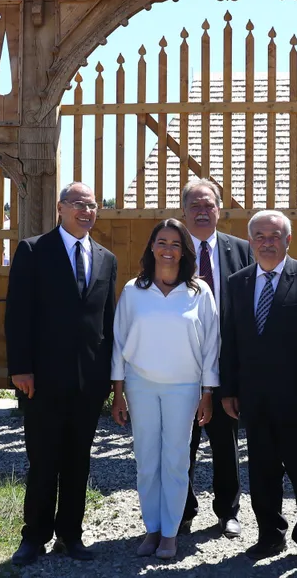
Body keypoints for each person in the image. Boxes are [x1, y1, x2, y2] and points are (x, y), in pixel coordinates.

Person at [6, 182, 119, 566]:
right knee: (43, 461)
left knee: (78, 460)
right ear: (60, 208)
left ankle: (71, 534)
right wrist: (20, 367)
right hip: (42, 380)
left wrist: (109, 379)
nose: (86, 211)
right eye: (78, 205)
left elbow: (108, 321)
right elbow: (18, 313)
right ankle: (34, 536)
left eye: (92, 206)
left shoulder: (106, 259)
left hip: (89, 383)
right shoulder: (34, 250)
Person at [220, 210, 297, 563]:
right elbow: (231, 339)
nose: (267, 243)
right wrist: (229, 390)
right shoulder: (237, 282)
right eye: (260, 237)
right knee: (262, 471)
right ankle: (270, 535)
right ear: (250, 241)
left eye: (274, 236)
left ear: (288, 240)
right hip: (254, 398)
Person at [110, 217, 219, 561]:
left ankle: (170, 533)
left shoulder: (200, 292)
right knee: (146, 461)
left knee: (175, 461)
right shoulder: (134, 290)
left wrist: (207, 392)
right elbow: (118, 342)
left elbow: (211, 347)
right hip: (141, 386)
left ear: (184, 250)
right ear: (151, 247)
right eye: (162, 242)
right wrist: (118, 391)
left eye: (175, 243)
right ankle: (152, 527)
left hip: (184, 388)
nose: (168, 250)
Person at [179, 178, 252, 538]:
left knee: (226, 442)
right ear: (183, 212)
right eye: (195, 206)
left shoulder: (241, 250)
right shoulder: (170, 250)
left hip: (226, 364)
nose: (202, 212)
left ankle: (228, 511)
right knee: (183, 442)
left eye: (209, 205)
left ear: (220, 210)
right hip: (182, 364)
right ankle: (183, 511)